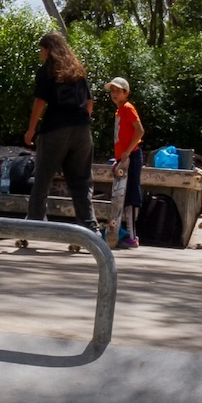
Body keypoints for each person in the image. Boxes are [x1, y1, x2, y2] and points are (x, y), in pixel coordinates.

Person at [23, 32, 95, 230]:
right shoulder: (77, 71)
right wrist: (80, 121)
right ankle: (90, 228)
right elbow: (89, 103)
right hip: (82, 131)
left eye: (41, 50)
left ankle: (35, 224)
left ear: (48, 49)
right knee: (81, 181)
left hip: (56, 129)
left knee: (43, 178)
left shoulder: (47, 70)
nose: (40, 54)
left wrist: (31, 130)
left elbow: (39, 102)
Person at [104, 76, 143, 250]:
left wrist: (127, 152)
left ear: (126, 93)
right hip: (124, 157)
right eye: (112, 91)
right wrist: (118, 159)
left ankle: (133, 236)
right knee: (122, 195)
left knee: (131, 195)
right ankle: (124, 233)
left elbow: (140, 130)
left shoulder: (128, 108)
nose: (114, 94)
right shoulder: (119, 111)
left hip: (132, 155)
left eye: (118, 91)